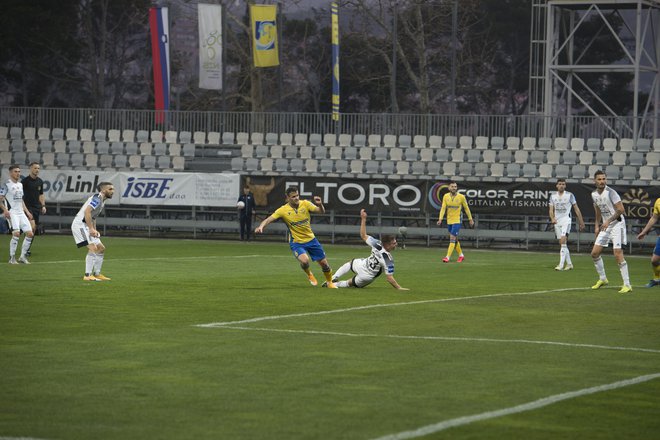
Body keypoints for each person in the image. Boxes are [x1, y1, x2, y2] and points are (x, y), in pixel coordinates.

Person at [255, 186, 337, 288]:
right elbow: (268, 219)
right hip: (296, 242)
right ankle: (309, 274)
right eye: (293, 196)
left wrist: (320, 205)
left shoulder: (305, 204)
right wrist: (261, 226)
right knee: (304, 260)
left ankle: (330, 282)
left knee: (324, 264)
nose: (297, 198)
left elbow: (321, 211)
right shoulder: (283, 210)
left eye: (297, 195)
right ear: (288, 198)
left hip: (311, 239)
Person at [325, 209, 408, 290]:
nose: (396, 244)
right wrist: (399, 288)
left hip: (364, 266)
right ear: (387, 245)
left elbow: (363, 235)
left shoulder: (377, 244)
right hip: (367, 275)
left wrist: (363, 219)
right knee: (348, 283)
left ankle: (332, 279)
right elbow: (389, 278)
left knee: (350, 264)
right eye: (394, 243)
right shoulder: (388, 259)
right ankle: (332, 283)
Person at [590, 170, 632, 293]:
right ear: (595, 181)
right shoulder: (593, 194)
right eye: (599, 179)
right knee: (594, 253)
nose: (602, 181)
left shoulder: (611, 193)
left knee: (617, 254)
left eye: (604, 179)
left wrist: (608, 221)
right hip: (605, 226)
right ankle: (603, 279)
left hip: (617, 224)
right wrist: (597, 226)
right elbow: (597, 210)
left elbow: (621, 209)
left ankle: (627, 284)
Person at [71, 182, 115, 281]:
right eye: (110, 189)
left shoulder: (102, 200)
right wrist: (91, 229)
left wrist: (94, 229)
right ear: (103, 190)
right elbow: (87, 212)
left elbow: (93, 216)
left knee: (101, 248)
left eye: (113, 189)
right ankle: (87, 275)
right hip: (79, 225)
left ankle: (97, 274)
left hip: (86, 225)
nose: (113, 191)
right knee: (93, 248)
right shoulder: (97, 198)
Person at [0, 164, 34, 264]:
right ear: (10, 173)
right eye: (15, 171)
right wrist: (5, 210)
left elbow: (21, 200)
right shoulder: (6, 185)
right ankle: (12, 258)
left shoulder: (20, 185)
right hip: (13, 213)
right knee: (16, 233)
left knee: (30, 234)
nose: (18, 173)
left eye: (19, 171)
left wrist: (27, 212)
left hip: (21, 213)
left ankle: (22, 257)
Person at [549, 178, 585, 271]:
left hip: (566, 220)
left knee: (563, 241)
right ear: (557, 185)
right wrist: (552, 218)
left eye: (563, 184)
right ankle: (569, 264)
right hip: (557, 221)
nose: (561, 185)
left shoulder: (570, 195)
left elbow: (576, 209)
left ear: (565, 186)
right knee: (562, 243)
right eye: (560, 184)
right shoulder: (553, 196)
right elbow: (551, 209)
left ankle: (561, 265)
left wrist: (581, 221)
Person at [437, 181, 474, 263]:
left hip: (457, 220)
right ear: (449, 188)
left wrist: (470, 219)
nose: (454, 188)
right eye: (452, 186)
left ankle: (447, 257)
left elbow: (466, 208)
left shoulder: (461, 197)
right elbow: (443, 208)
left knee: (452, 238)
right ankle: (461, 255)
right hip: (449, 220)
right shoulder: (446, 196)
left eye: (455, 187)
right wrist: (440, 219)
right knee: (455, 239)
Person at [21, 162, 47, 256]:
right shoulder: (25, 181)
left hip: (36, 208)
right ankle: (25, 250)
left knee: (34, 228)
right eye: (35, 168)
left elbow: (41, 194)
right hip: (27, 207)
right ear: (31, 169)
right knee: (31, 227)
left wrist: (43, 205)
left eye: (39, 168)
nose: (37, 170)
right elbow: (20, 196)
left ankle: (26, 249)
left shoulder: (40, 181)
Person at [636, 197, 660, 288]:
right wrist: (643, 232)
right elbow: (654, 218)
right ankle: (657, 279)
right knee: (654, 260)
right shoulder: (658, 201)